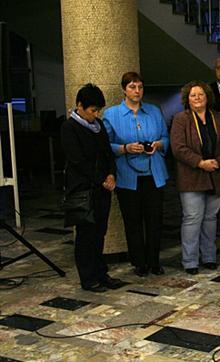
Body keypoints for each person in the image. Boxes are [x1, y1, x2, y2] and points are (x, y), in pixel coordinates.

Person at [103, 72, 170, 277]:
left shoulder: (154, 111)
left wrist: (157, 145)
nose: (137, 91)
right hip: (127, 175)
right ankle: (139, 262)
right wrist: (125, 148)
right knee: (132, 221)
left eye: (140, 87)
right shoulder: (111, 114)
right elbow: (105, 145)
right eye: (132, 87)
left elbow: (166, 138)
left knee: (154, 219)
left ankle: (154, 261)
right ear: (124, 90)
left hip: (153, 173)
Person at [61, 84, 124, 292]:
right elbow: (77, 160)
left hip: (101, 188)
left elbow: (107, 153)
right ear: (80, 106)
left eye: (98, 111)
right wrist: (101, 179)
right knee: (86, 235)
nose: (95, 114)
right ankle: (87, 278)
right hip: (84, 189)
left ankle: (101, 273)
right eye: (92, 110)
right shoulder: (70, 127)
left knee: (99, 233)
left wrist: (111, 174)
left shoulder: (98, 125)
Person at [170, 81, 220, 275]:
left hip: (216, 174)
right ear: (187, 99)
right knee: (192, 218)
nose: (197, 98)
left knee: (210, 218)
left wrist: (219, 162)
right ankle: (190, 260)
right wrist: (200, 162)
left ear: (207, 97)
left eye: (201, 94)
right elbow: (178, 148)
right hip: (192, 176)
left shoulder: (218, 117)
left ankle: (209, 257)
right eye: (193, 95)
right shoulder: (180, 119)